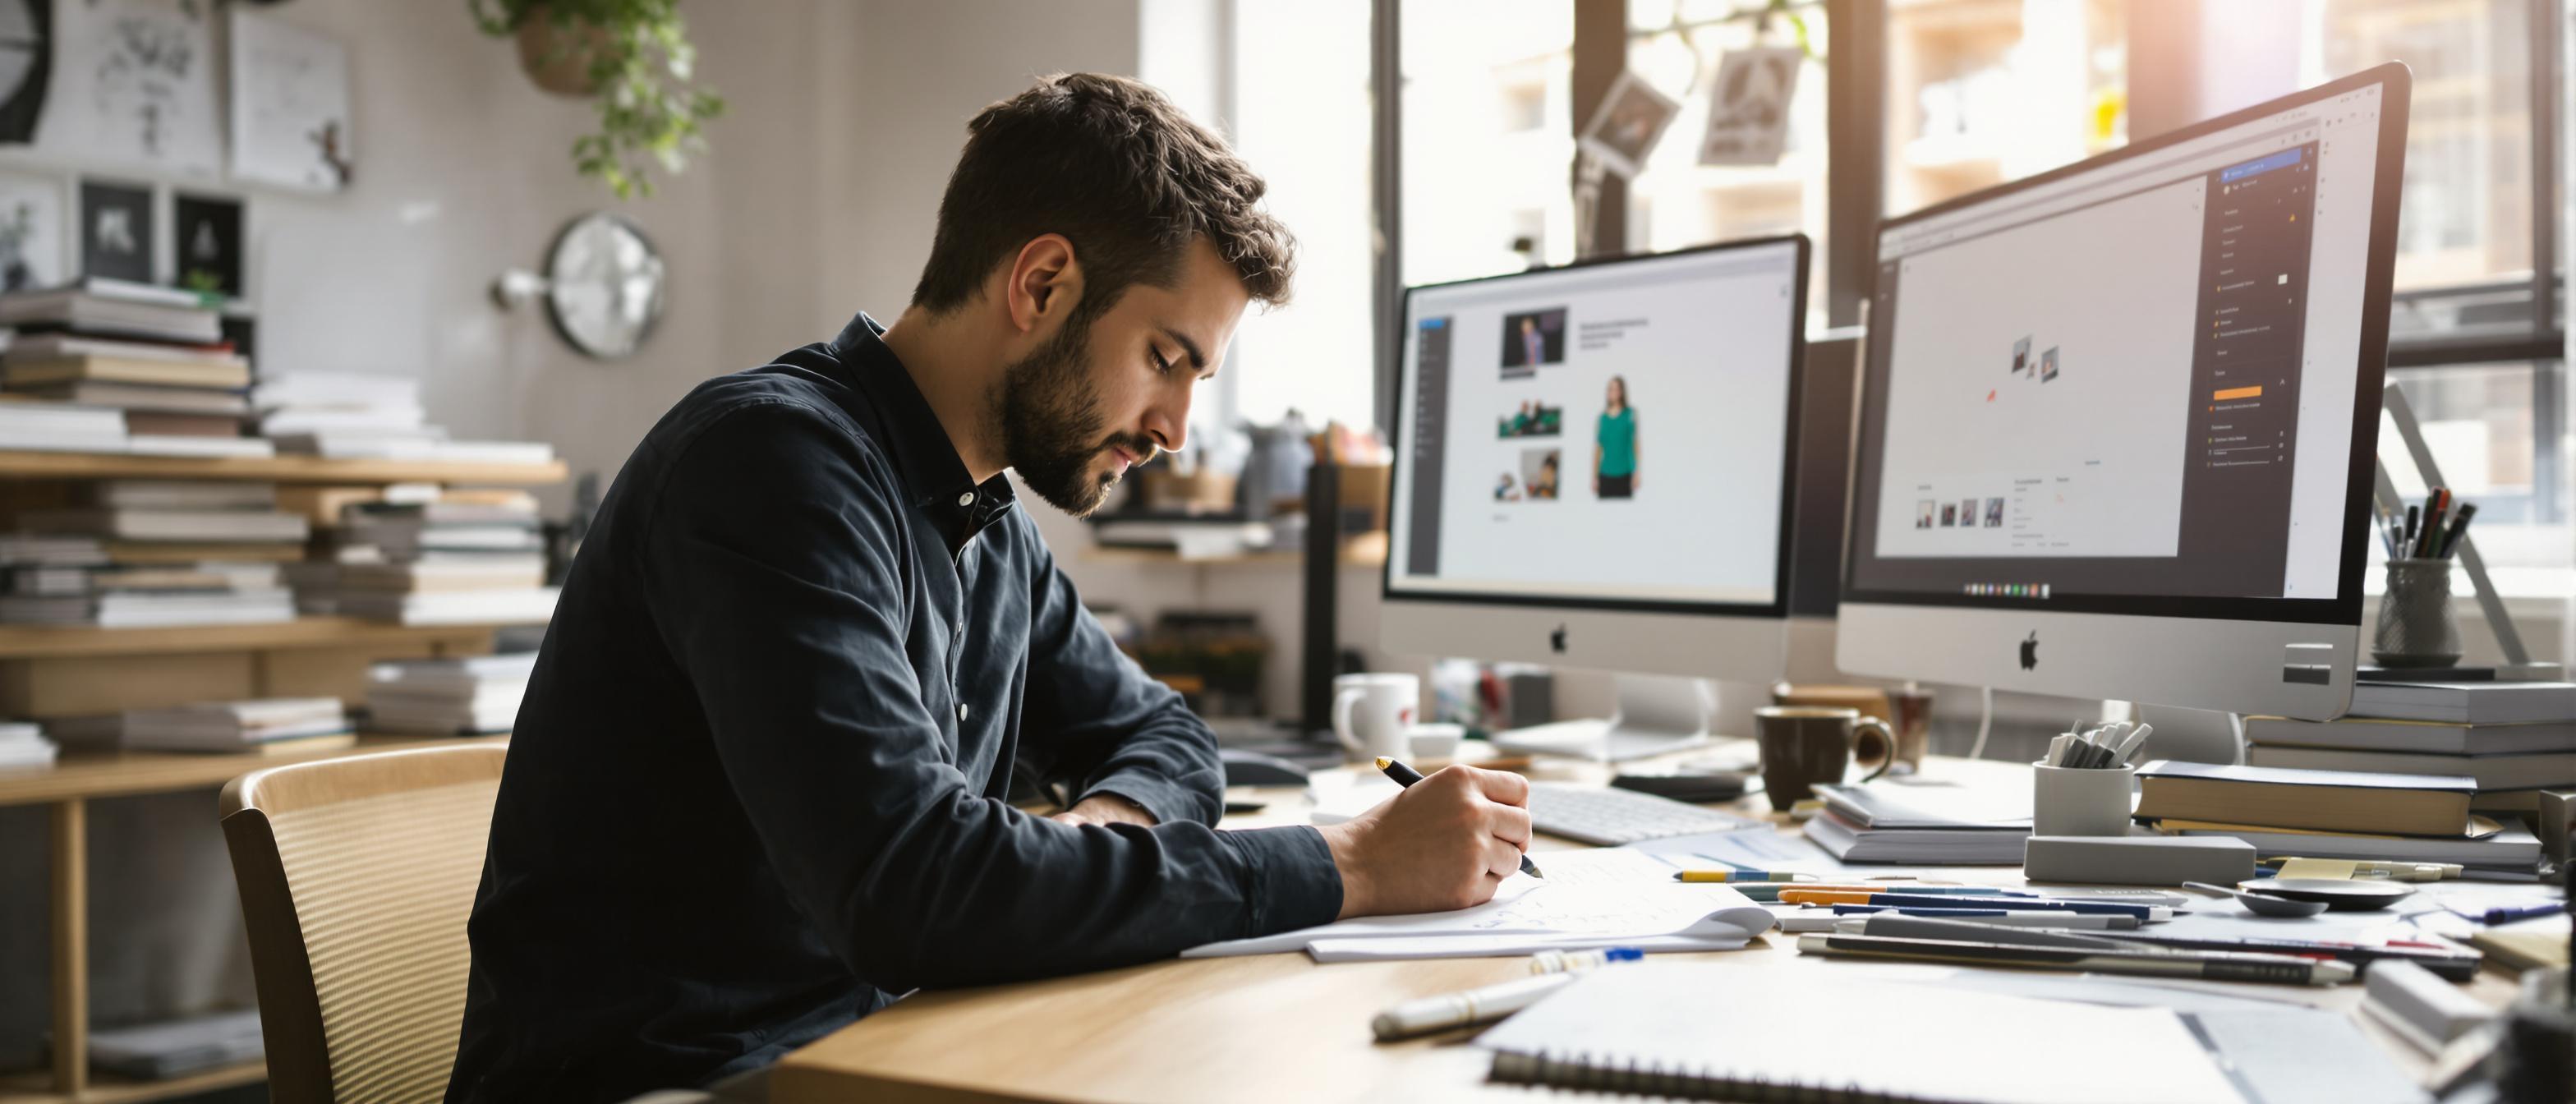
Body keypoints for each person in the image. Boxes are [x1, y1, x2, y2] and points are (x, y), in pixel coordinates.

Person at [444, 73, 1534, 1104]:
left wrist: (1100, 845)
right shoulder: (770, 468)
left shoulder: (982, 519)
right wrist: (1349, 862)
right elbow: (917, 892)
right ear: (1042, 283)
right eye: (1165, 357)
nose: (1173, 429)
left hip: (870, 1056)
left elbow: (1165, 737)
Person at [1594, 375, 1640, 499]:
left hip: (1625, 474)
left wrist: (1636, 472)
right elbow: (1598, 450)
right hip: (1605, 475)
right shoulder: (1602, 418)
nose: (1612, 392)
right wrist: (1595, 477)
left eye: (1615, 389)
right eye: (1610, 389)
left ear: (1621, 392)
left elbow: (1634, 445)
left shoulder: (1630, 414)